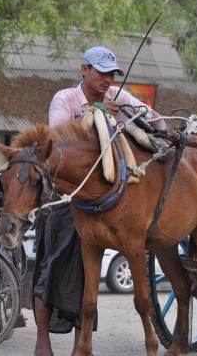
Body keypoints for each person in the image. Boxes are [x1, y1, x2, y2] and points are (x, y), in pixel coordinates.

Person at [37, 46, 164, 355]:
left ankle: (83, 344)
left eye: (112, 74)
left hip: (103, 199)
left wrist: (126, 113)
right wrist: (95, 115)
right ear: (84, 70)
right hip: (65, 196)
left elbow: (157, 122)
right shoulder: (65, 99)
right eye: (101, 72)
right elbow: (57, 142)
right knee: (49, 267)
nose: (108, 79)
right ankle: (43, 342)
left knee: (86, 277)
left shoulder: (119, 96)